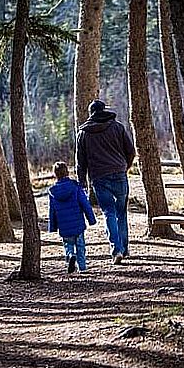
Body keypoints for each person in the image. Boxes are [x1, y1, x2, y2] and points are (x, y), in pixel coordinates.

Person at [76, 99, 136, 265]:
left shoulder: (83, 133)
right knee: (121, 213)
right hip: (119, 174)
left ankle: (116, 249)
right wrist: (125, 166)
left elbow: (81, 162)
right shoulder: (117, 127)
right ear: (104, 110)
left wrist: (83, 183)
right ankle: (123, 249)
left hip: (99, 178)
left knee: (109, 213)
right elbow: (131, 151)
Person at [48, 161, 97, 273]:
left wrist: (53, 227)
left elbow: (52, 211)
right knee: (80, 246)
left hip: (64, 226)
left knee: (68, 244)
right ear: (67, 172)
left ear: (55, 175)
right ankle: (82, 268)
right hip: (78, 224)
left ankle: (70, 256)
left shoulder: (53, 192)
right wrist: (91, 219)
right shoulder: (75, 187)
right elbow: (85, 204)